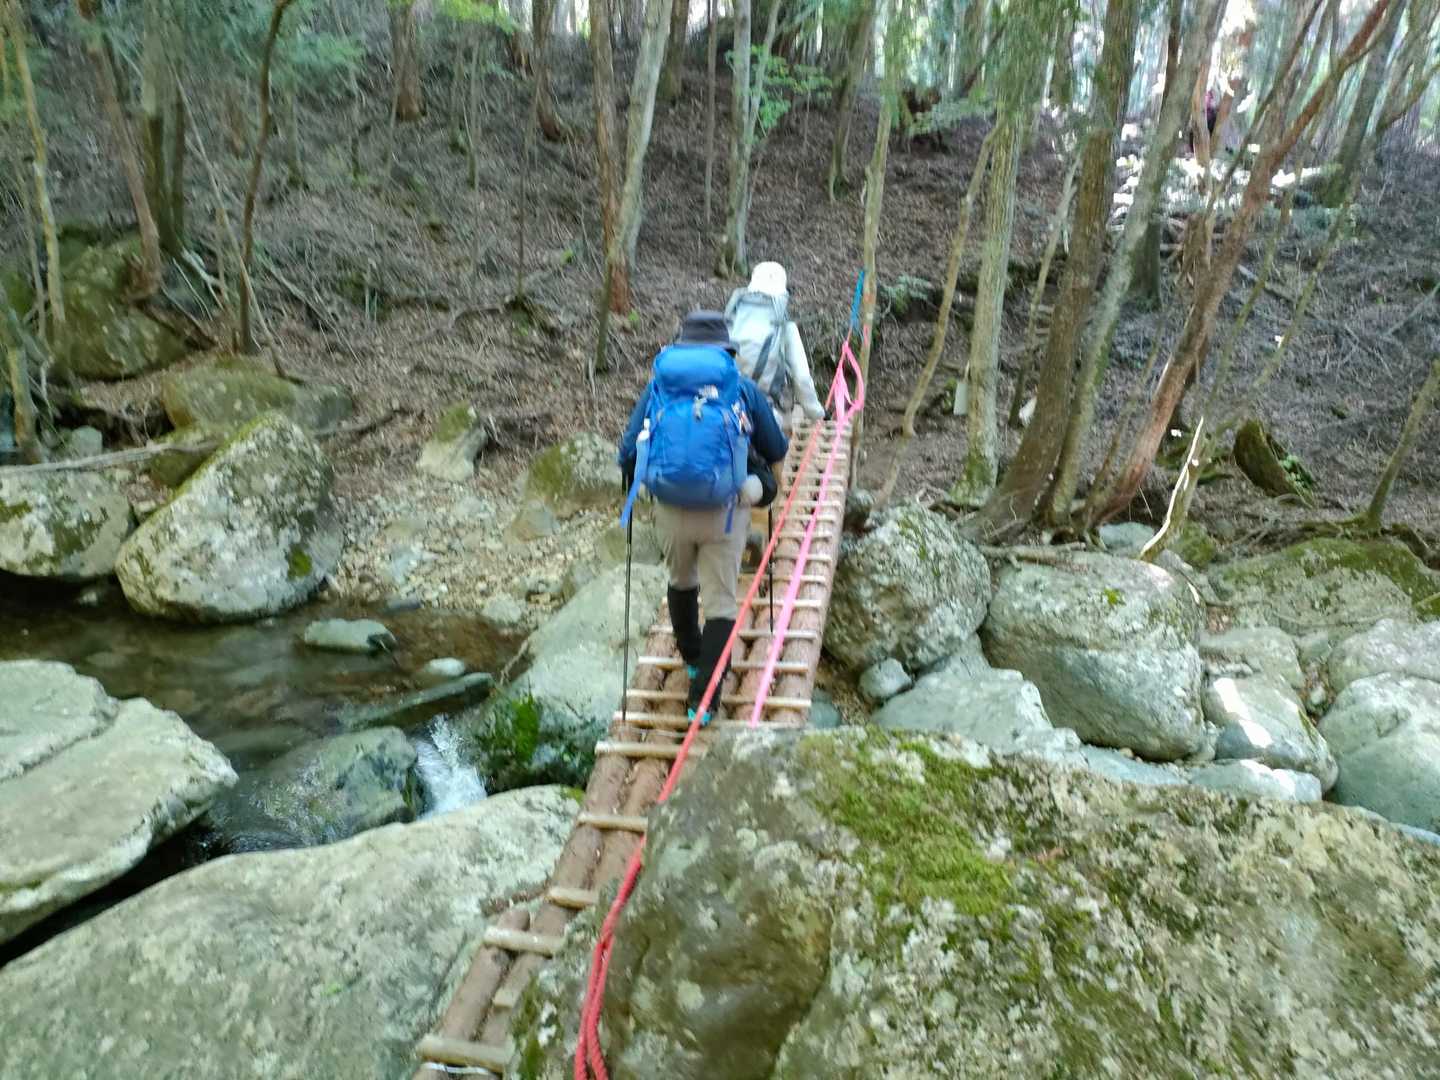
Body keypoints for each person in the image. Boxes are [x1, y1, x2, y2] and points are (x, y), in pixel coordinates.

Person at [618, 311, 789, 723]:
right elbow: (777, 447)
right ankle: (704, 700)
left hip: (670, 508)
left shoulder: (659, 387)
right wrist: (767, 491)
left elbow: (627, 452)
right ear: (726, 352)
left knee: (681, 581)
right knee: (721, 603)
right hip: (724, 513)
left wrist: (644, 488)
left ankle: (693, 659)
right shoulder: (741, 388)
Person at [724, 262, 826, 431]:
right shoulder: (785, 327)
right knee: (788, 419)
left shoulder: (731, 319)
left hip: (728, 408)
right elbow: (802, 379)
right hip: (766, 412)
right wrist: (817, 414)